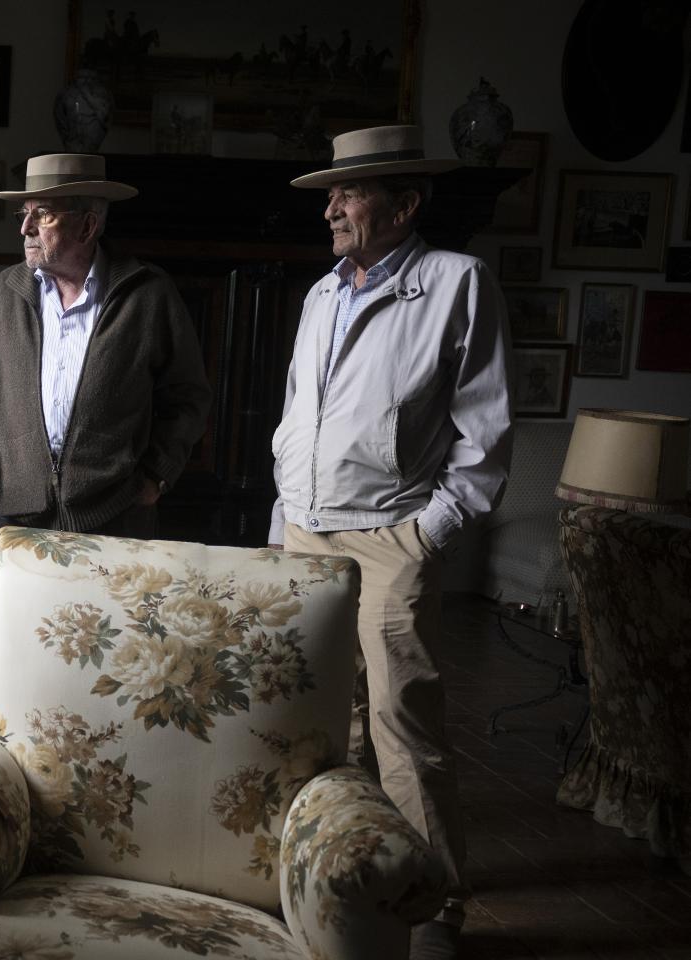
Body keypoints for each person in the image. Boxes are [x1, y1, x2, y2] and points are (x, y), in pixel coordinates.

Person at [269, 125, 512, 960]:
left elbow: (484, 439)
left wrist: (424, 538)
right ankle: (330, 879)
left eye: (351, 192)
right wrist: (280, 523)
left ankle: (432, 908)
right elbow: (297, 416)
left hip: (389, 535)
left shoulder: (457, 283)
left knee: (404, 723)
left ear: (405, 205)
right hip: (302, 531)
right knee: (319, 720)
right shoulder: (320, 294)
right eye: (331, 193)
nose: (331, 207)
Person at [0, 152, 211, 577]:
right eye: (25, 213)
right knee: (15, 639)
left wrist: (155, 476)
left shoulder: (148, 295)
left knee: (109, 638)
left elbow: (187, 396)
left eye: (44, 215)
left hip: (115, 516)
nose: (25, 228)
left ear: (88, 225)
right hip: (16, 514)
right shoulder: (6, 292)